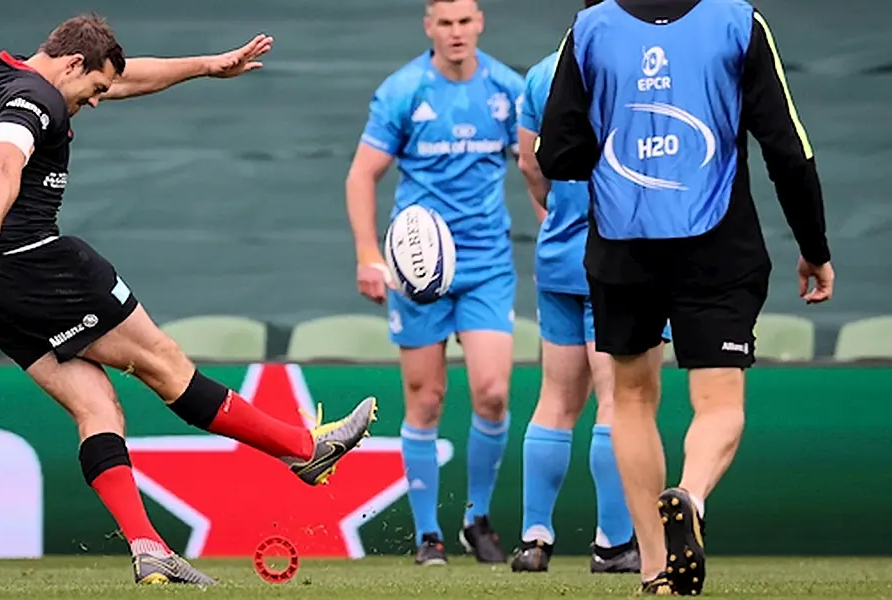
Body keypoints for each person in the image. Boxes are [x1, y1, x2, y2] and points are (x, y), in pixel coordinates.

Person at [0, 13, 377, 587]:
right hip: (38, 265)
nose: (100, 102)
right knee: (166, 363)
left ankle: (148, 547)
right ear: (73, 65)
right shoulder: (36, 100)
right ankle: (303, 449)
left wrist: (206, 65)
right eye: (95, 90)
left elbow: (124, 80)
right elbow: (4, 162)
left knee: (97, 409)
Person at [536, 0, 834, 594]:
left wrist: (626, 150)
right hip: (718, 243)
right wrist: (814, 247)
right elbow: (787, 148)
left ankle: (653, 568)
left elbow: (557, 153)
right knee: (719, 401)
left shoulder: (591, 27)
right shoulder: (737, 22)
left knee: (631, 400)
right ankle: (690, 496)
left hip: (622, 245)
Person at [344, 0, 525, 566]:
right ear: (429, 27)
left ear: (479, 23)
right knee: (426, 398)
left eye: (464, 21)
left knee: (493, 393)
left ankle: (477, 518)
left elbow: (536, 168)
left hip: (487, 262)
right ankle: (429, 536)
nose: (455, 33)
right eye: (444, 23)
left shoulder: (508, 88)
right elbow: (361, 174)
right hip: (416, 269)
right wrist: (369, 255)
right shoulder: (403, 90)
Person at [510, 0, 674, 576]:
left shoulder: (541, 71)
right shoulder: (647, 68)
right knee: (618, 400)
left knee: (554, 400)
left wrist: (553, 214)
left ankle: (534, 537)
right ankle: (612, 543)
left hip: (559, 253)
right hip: (624, 256)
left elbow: (530, 162)